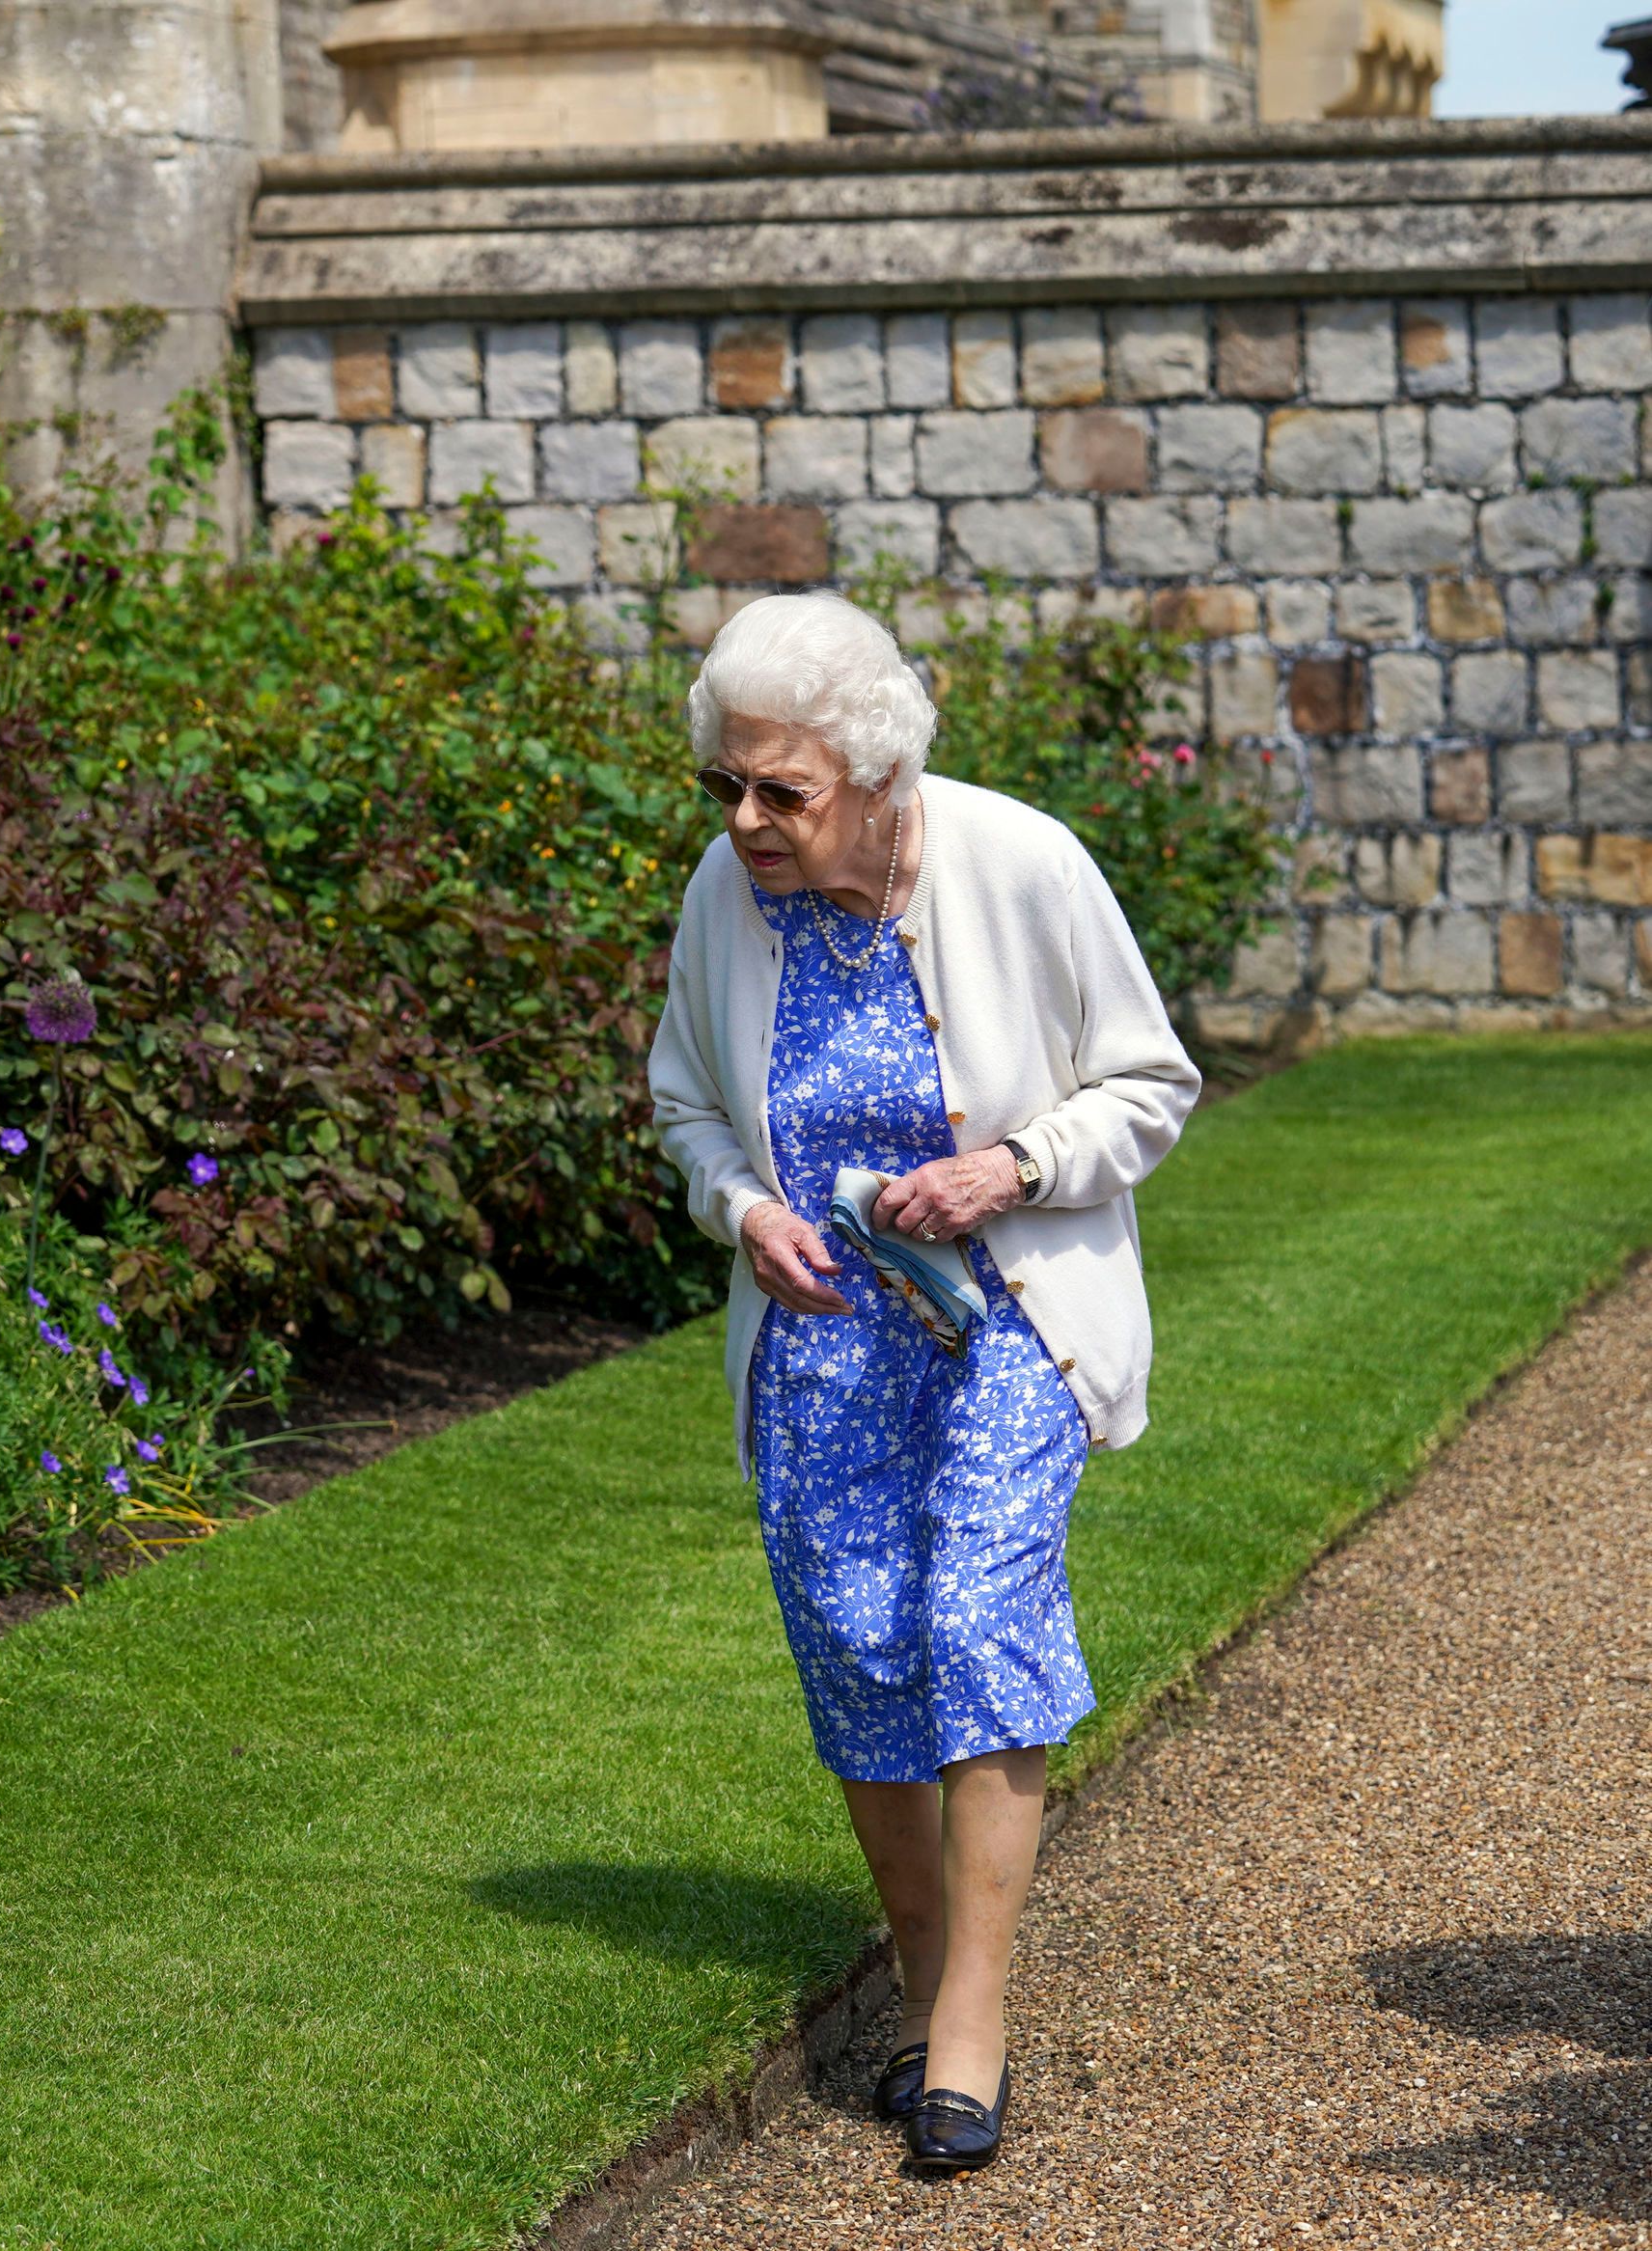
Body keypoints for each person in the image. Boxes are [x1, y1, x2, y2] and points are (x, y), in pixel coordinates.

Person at [646, 590, 1197, 2179]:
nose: (745, 820)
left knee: (973, 1617)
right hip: (825, 1331)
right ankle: (914, 1961)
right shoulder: (725, 896)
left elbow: (1151, 1081)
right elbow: (684, 1101)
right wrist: (742, 1208)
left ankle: (970, 2021)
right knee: (863, 1638)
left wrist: (1010, 1165)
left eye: (781, 792)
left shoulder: (1018, 861)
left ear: (876, 777)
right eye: (726, 788)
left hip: (1009, 1313)